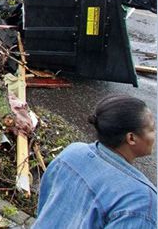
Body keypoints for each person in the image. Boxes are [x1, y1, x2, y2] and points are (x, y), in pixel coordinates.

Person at [35, 94, 156, 228]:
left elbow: (44, 210)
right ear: (131, 138)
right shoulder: (141, 201)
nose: (154, 134)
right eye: (152, 129)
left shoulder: (73, 153)